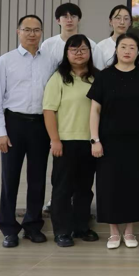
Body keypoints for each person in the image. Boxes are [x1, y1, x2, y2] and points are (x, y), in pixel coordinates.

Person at [0, 15, 56, 248]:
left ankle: (32, 225)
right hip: (14, 124)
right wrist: (0, 131)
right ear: (18, 32)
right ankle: (8, 228)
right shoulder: (5, 61)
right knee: (10, 178)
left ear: (41, 33)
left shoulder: (50, 61)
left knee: (37, 178)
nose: (32, 34)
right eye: (27, 29)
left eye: (36, 30)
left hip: (40, 124)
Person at [88, 33, 139, 249]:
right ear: (116, 50)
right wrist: (95, 140)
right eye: (123, 47)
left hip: (137, 141)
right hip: (108, 141)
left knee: (135, 184)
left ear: (138, 52)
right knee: (109, 185)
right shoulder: (104, 76)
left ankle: (129, 230)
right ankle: (113, 232)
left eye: (132, 47)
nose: (127, 51)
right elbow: (95, 110)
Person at [43, 35, 99, 247]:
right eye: (74, 49)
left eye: (83, 49)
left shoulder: (97, 77)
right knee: (63, 188)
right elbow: (49, 110)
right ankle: (62, 231)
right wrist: (55, 140)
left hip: (90, 141)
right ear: (66, 53)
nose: (79, 53)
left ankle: (81, 227)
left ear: (89, 53)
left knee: (85, 188)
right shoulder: (58, 78)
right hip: (65, 142)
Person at [40, 2, 105, 69]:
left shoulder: (90, 44)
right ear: (58, 20)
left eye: (73, 16)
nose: (69, 20)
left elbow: (98, 69)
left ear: (79, 20)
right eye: (65, 17)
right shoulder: (48, 45)